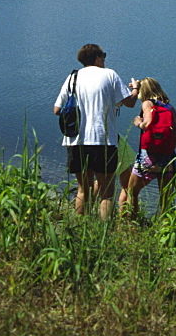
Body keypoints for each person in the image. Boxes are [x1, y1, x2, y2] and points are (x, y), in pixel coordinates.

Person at [53, 43, 138, 220]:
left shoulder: (72, 77)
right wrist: (135, 89)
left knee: (83, 189)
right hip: (103, 140)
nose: (104, 60)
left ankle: (80, 226)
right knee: (106, 192)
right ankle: (104, 234)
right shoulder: (109, 75)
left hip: (76, 141)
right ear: (98, 58)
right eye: (103, 56)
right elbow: (130, 103)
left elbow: (57, 109)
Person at [127, 77, 176, 215]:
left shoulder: (147, 103)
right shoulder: (170, 108)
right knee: (166, 198)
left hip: (148, 157)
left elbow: (147, 124)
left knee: (132, 191)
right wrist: (165, 149)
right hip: (168, 157)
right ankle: (165, 226)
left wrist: (138, 122)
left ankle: (132, 224)